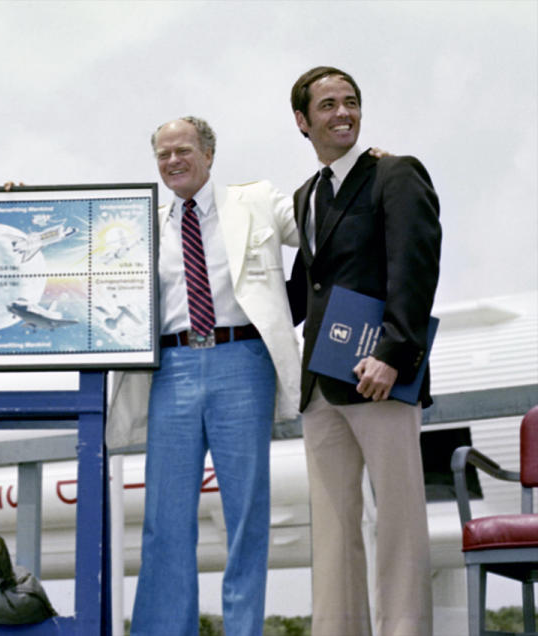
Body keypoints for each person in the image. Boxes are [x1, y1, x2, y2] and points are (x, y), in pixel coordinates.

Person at [110, 116, 301, 636]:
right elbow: (77, 257)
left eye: (183, 151)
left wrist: (357, 171)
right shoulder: (140, 223)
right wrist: (25, 201)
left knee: (246, 514)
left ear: (210, 154)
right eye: (163, 155)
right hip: (170, 369)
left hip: (242, 362)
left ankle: (244, 631)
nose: (173, 162)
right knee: (164, 520)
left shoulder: (256, 200)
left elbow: (320, 223)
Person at [289, 66, 441, 636]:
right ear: (303, 121)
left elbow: (416, 265)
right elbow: (305, 288)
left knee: (400, 524)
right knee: (331, 530)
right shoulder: (307, 195)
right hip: (321, 383)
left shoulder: (395, 174)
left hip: (381, 375)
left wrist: (396, 353)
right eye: (327, 105)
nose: (343, 113)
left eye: (350, 102)